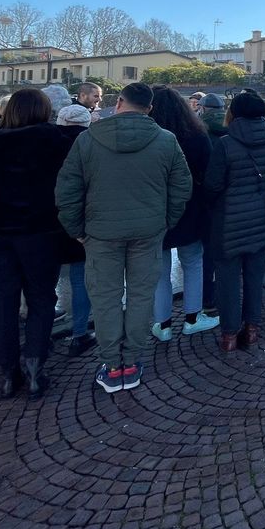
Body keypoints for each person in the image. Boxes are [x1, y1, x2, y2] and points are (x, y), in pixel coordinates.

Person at [55, 82, 192, 394]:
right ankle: (131, 361)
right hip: (148, 230)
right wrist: (165, 221)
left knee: (105, 298)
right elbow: (182, 186)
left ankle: (112, 363)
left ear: (118, 103)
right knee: (142, 296)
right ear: (150, 108)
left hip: (101, 232)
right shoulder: (166, 140)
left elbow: (67, 190)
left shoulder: (88, 138)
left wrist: (76, 229)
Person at [0, 88, 82, 399]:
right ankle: (35, 366)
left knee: (2, 302)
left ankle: (9, 372)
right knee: (41, 298)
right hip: (40, 232)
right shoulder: (57, 141)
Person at [203, 90, 265, 352]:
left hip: (228, 221)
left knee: (227, 280)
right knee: (254, 277)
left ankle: (229, 334)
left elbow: (213, 185)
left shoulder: (225, 144)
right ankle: (251, 330)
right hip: (259, 217)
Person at [149, 87, 219, 341]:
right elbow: (208, 172)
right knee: (193, 264)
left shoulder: (149, 137)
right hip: (191, 208)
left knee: (159, 271)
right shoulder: (196, 136)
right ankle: (192, 317)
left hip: (155, 211)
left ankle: (162, 323)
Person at [55, 105, 97, 356]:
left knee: (42, 283)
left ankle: (38, 334)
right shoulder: (93, 145)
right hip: (83, 221)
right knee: (81, 280)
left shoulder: (46, 144)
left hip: (48, 223)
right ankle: (79, 333)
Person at [196, 92, 228, 315]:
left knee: (205, 252)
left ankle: (207, 297)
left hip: (206, 198)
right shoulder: (232, 129)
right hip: (231, 199)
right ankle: (223, 294)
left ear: (203, 109)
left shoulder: (197, 130)